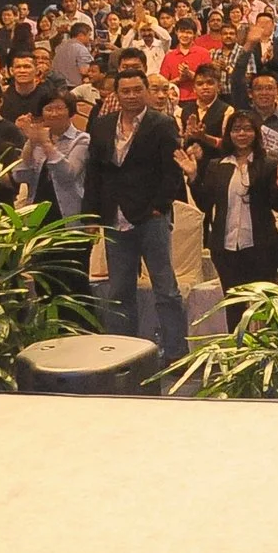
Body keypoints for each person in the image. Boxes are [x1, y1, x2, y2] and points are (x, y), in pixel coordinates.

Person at [86, 69, 189, 371]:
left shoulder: (162, 124)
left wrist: (160, 206)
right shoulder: (103, 125)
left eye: (136, 90)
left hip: (150, 217)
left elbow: (172, 170)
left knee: (165, 287)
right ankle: (123, 353)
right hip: (114, 217)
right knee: (119, 290)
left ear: (146, 91)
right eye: (125, 91)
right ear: (115, 94)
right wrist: (93, 213)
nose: (131, 96)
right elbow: (95, 172)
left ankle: (176, 353)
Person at [181, 108, 278, 292]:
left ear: (256, 133)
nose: (242, 134)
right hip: (224, 247)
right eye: (236, 129)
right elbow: (204, 204)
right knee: (233, 305)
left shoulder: (268, 164)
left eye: (248, 129)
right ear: (229, 134)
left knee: (263, 305)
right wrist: (193, 177)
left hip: (261, 245)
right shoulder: (216, 165)